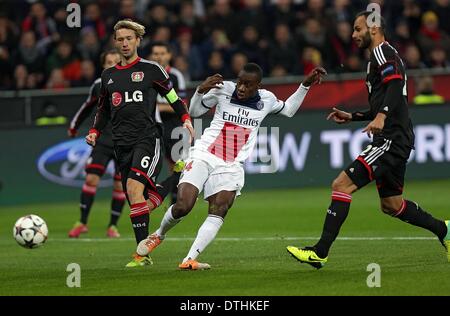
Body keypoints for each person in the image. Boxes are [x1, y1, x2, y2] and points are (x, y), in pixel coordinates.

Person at [287, 11, 449, 269]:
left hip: (391, 139)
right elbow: (385, 101)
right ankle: (444, 230)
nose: (353, 35)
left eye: (357, 29)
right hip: (397, 136)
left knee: (341, 185)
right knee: (391, 204)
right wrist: (354, 116)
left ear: (373, 29)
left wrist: (382, 116)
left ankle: (319, 252)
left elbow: (395, 87)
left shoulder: (382, 53)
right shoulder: (378, 57)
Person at [136, 63, 326, 270]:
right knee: (183, 205)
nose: (241, 88)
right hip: (204, 154)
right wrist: (201, 90)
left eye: (248, 85)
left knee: (219, 209)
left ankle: (189, 259)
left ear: (258, 86)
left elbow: (288, 110)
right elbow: (194, 111)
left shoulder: (267, 99)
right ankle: (158, 235)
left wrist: (305, 85)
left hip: (231, 164)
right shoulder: (223, 89)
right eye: (240, 82)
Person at [86, 20, 194, 267]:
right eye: (120, 39)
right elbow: (103, 109)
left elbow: (173, 97)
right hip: (120, 143)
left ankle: (140, 255)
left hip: (147, 138)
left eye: (129, 39)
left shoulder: (152, 70)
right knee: (140, 202)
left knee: (134, 190)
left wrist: (185, 118)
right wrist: (94, 131)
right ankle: (171, 181)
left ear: (137, 41)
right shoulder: (108, 75)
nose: (124, 43)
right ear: (115, 42)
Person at [67, 49, 124, 238]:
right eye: (109, 62)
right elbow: (87, 107)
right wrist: (74, 125)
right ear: (103, 66)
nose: (114, 65)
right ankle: (82, 222)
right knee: (91, 179)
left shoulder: (131, 83)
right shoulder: (98, 85)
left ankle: (112, 226)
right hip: (103, 140)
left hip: (124, 141)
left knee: (119, 186)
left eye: (117, 61)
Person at [148, 42, 188, 204]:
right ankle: (148, 200)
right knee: (151, 169)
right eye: (156, 54)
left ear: (169, 55)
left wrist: (157, 107)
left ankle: (173, 204)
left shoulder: (176, 76)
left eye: (162, 53)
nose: (159, 57)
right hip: (152, 129)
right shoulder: (147, 75)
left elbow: (182, 105)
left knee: (177, 168)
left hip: (173, 129)